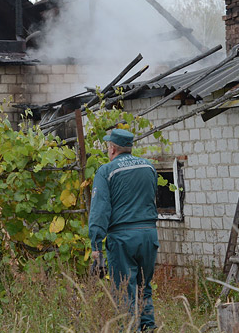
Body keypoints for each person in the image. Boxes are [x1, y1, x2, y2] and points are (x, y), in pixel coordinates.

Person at [88, 128, 159, 331]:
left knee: (123, 291)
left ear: (112, 148)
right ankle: (148, 329)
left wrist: (96, 244)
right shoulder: (149, 167)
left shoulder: (106, 171)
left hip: (122, 238)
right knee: (144, 288)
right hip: (148, 234)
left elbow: (100, 210)